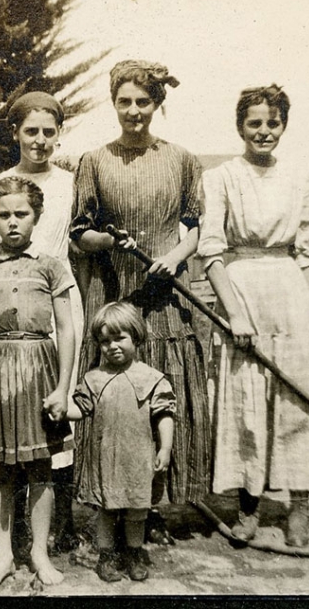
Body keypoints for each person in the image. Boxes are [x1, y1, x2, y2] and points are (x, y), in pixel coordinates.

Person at [197, 85, 309, 547]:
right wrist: (235, 312)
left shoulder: (299, 177)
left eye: (273, 123)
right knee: (246, 400)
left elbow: (305, 253)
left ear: (284, 124)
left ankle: (299, 505)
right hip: (242, 290)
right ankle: (249, 506)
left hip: (289, 295)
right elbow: (211, 250)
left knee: (298, 401)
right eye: (255, 123)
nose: (264, 132)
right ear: (240, 126)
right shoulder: (221, 177)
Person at [70, 59, 210, 543]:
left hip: (164, 300)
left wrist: (173, 256)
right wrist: (110, 242)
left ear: (158, 104)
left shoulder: (183, 160)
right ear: (113, 103)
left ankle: (153, 509)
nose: (134, 111)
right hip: (115, 300)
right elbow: (78, 234)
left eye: (143, 102)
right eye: (124, 102)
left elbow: (194, 228)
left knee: (161, 402)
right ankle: (113, 509)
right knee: (116, 405)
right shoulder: (93, 161)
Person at [0, 176, 76, 592]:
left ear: (37, 216)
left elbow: (66, 328)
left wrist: (63, 388)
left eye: (21, 214)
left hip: (40, 371)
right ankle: (4, 555)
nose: (13, 223)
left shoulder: (51, 266)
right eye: (3, 214)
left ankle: (39, 552)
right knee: (3, 471)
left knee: (40, 466)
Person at [0, 91, 83, 554]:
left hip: (58, 298)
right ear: (15, 133)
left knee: (55, 417)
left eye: (49, 132)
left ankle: (59, 526)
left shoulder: (72, 182)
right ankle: (13, 535)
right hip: (10, 311)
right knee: (12, 420)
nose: (40, 141)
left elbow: (80, 239)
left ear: (58, 134)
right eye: (31, 131)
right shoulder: (1, 186)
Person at [65, 302, 175, 583]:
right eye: (105, 341)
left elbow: (164, 415)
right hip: (105, 459)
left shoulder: (151, 378)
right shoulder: (94, 378)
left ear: (136, 336)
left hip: (137, 457)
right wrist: (61, 410)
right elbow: (80, 410)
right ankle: (106, 556)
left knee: (137, 511)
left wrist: (165, 447)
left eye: (120, 338)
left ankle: (134, 553)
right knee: (105, 509)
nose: (112, 346)